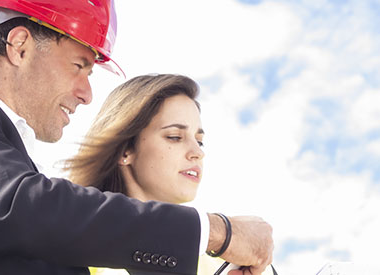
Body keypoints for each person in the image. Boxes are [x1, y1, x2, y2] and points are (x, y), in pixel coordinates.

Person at [0, 1, 273, 274]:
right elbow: (14, 208)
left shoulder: (26, 187)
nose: (87, 94)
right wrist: (215, 232)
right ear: (19, 46)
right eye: (79, 66)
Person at [65, 74, 276, 275]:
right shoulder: (77, 259)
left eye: (199, 140)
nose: (198, 153)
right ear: (125, 150)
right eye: (175, 137)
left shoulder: (227, 259)